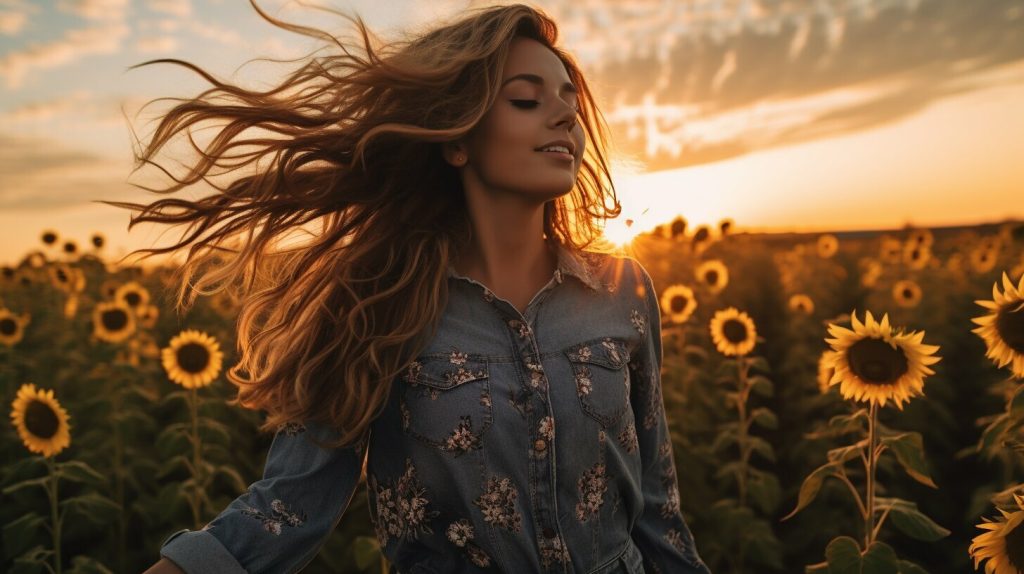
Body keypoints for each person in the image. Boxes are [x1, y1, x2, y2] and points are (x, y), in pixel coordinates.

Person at [130, 2, 710, 573]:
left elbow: (658, 512)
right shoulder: (378, 303)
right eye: (527, 99)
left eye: (570, 102)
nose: (563, 116)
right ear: (457, 139)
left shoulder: (623, 293)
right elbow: (290, 507)